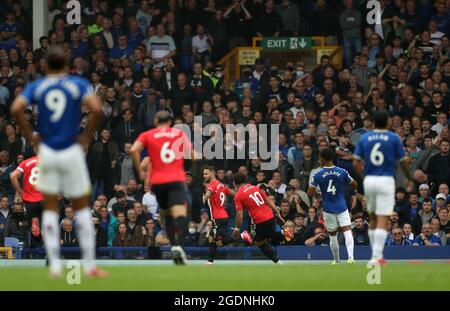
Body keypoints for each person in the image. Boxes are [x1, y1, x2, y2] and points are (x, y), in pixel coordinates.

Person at [10, 47, 106, 278]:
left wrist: (31, 135)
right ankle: (90, 264)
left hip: (48, 151)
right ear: (68, 64)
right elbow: (96, 108)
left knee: (50, 207)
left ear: (45, 65)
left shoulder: (39, 85)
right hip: (71, 148)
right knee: (81, 205)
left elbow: (16, 108)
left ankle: (53, 264)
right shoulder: (77, 83)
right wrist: (86, 135)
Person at [130, 110, 191, 265]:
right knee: (181, 213)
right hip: (176, 180)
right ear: (170, 122)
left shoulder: (148, 134)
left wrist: (140, 173)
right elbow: (190, 153)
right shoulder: (178, 133)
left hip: (157, 182)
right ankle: (178, 245)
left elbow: (133, 150)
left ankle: (174, 245)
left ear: (156, 121)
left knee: (166, 215)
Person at [353, 110, 413, 266]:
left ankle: (374, 255)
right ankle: (376, 257)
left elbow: (355, 162)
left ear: (373, 123)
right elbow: (402, 161)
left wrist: (364, 176)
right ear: (387, 122)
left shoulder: (365, 137)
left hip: (370, 180)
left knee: (372, 218)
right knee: (382, 219)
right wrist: (409, 178)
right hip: (385, 180)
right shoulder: (393, 137)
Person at [307, 148, 358, 264]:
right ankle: (351, 258)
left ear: (322, 158)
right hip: (342, 206)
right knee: (347, 231)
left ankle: (336, 260)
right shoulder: (342, 171)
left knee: (333, 236)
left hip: (328, 208)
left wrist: (319, 195)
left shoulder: (318, 174)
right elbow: (355, 184)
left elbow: (309, 193)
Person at [231, 173, 284, 264]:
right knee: (270, 236)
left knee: (259, 242)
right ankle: (282, 233)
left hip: (258, 221)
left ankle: (278, 262)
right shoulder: (255, 187)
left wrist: (237, 228)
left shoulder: (238, 195)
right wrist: (277, 211)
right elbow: (267, 200)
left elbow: (239, 215)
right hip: (270, 216)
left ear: (234, 183)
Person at [202, 166, 237, 265]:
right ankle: (210, 262)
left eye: (206, 174)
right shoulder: (221, 185)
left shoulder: (211, 185)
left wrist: (205, 197)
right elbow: (232, 192)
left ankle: (242, 236)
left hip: (218, 218)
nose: (204, 176)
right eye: (203, 174)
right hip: (222, 216)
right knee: (211, 239)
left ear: (212, 173)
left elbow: (209, 192)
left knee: (219, 243)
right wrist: (240, 195)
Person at [10, 153, 43, 239]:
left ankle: (35, 226)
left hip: (30, 200)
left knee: (31, 219)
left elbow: (13, 176)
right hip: (45, 198)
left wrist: (20, 192)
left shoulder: (25, 163)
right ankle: (41, 228)